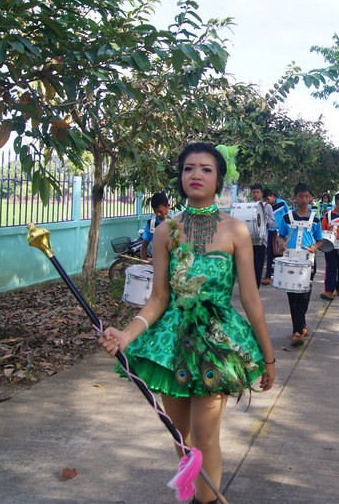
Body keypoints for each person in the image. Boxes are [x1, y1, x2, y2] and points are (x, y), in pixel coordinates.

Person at [98, 142, 276, 503]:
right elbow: (158, 298)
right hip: (172, 345)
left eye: (206, 169)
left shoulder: (236, 231)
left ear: (219, 179)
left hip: (217, 344)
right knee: (182, 438)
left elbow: (251, 299)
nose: (196, 174)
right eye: (189, 168)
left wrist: (268, 357)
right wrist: (127, 334)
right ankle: (195, 494)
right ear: (180, 176)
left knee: (205, 436)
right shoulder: (166, 231)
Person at [277, 183, 323, 346]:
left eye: (307, 196)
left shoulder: (315, 219)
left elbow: (320, 240)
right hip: (290, 260)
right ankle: (299, 327)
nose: (304, 199)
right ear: (295, 198)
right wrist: (281, 243)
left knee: (303, 296)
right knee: (292, 296)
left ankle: (297, 331)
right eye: (300, 196)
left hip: (307, 261)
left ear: (310, 198)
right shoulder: (287, 217)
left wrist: (315, 247)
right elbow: (281, 235)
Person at [249, 184, 273, 288]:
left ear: (261, 193)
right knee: (248, 266)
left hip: (261, 241)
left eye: (257, 192)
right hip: (249, 240)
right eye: (253, 192)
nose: (255, 194)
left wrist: (265, 219)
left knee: (258, 266)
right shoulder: (248, 206)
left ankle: (255, 288)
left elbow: (274, 224)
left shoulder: (267, 206)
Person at [261, 189, 287, 286]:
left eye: (268, 199)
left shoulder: (282, 203)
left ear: (272, 196)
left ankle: (279, 276)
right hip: (270, 231)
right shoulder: (265, 206)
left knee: (280, 254)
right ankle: (268, 276)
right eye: (265, 200)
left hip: (281, 232)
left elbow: (287, 215)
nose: (266, 201)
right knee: (270, 254)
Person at [140, 192, 170, 261]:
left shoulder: (176, 222)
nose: (158, 214)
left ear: (168, 206)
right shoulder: (151, 224)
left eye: (160, 211)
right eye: (155, 212)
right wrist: (144, 263)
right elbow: (143, 248)